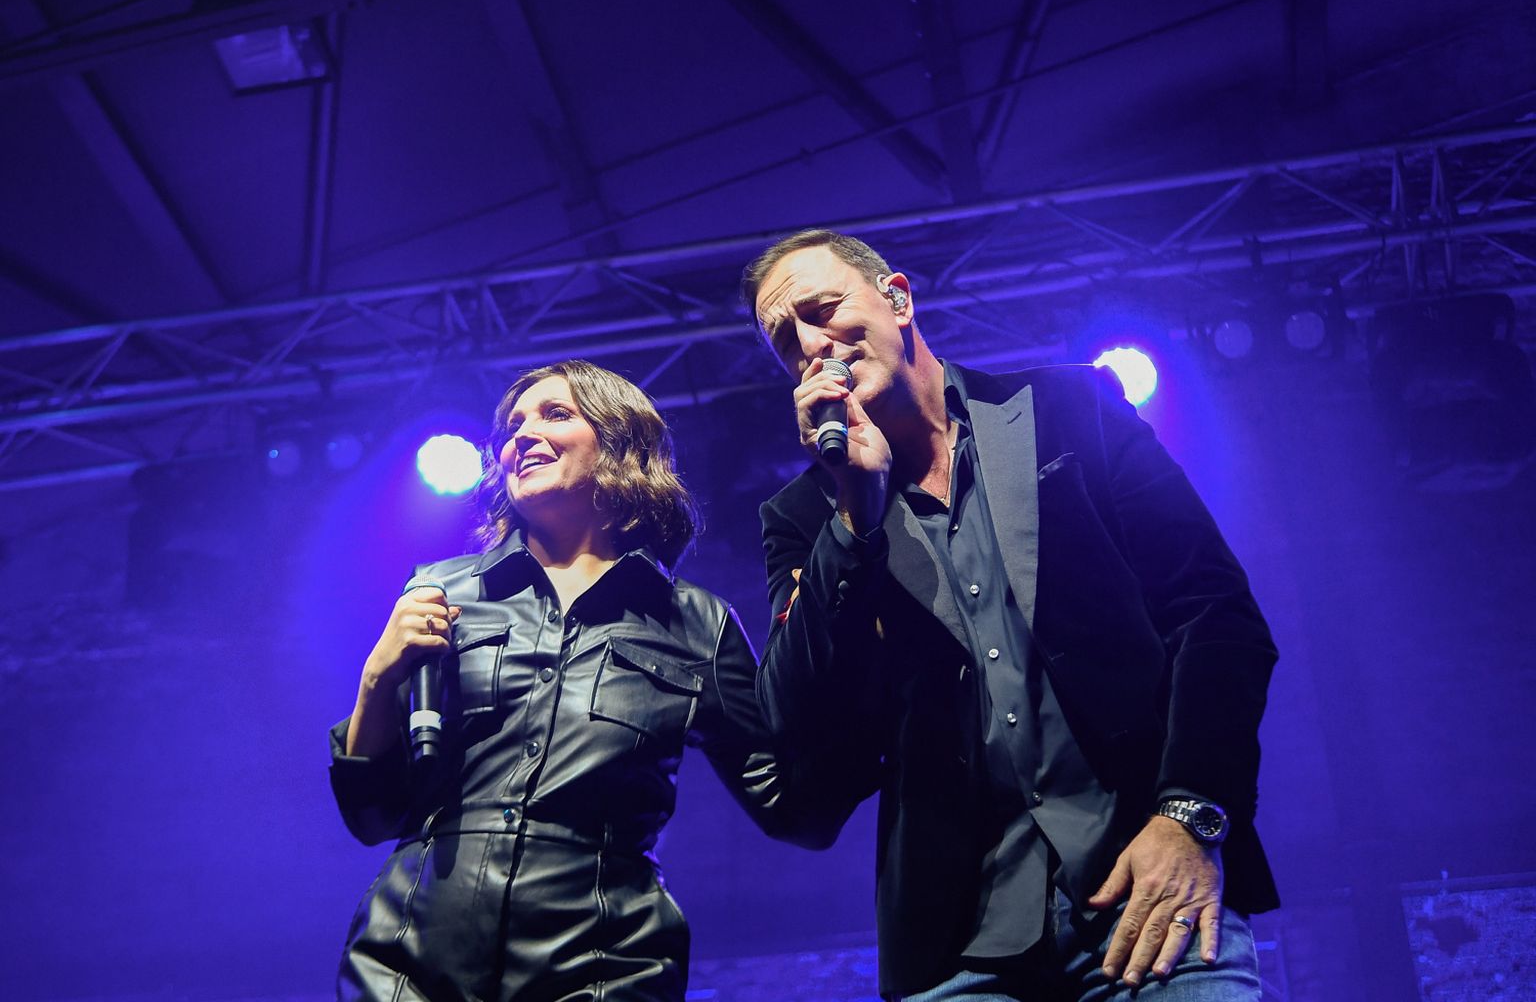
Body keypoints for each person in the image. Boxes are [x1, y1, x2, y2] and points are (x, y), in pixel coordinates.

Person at [743, 230, 1281, 1000]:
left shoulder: (1071, 410)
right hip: (961, 947)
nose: (808, 344)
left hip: (1150, 889)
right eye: (784, 340)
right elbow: (793, 719)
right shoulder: (805, 517)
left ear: (897, 299)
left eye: (821, 310)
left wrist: (1190, 814)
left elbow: (1214, 616)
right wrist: (854, 515)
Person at [328, 359, 820, 1002]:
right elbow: (372, 815)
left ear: (621, 443)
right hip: (410, 962)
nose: (521, 436)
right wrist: (375, 679)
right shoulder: (440, 591)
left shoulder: (696, 622)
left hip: (604, 966)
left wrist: (837, 631)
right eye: (511, 426)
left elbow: (791, 804)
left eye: (555, 414)